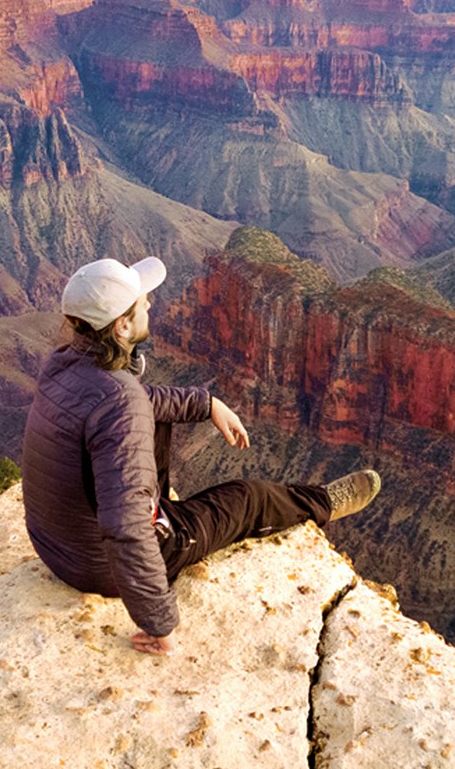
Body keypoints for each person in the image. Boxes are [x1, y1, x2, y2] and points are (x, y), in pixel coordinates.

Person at [21, 254, 381, 657]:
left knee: (154, 422)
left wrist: (205, 403)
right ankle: (323, 502)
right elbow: (126, 526)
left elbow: (135, 403)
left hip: (56, 548)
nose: (150, 304)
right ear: (122, 326)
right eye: (142, 301)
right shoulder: (120, 400)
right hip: (98, 567)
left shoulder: (63, 365)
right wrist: (159, 622)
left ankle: (156, 498)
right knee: (248, 497)